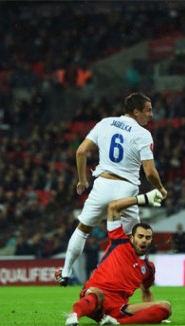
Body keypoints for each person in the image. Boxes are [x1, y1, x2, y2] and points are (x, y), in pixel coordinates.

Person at [56, 92, 167, 287]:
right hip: (126, 189)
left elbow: (81, 151)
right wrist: (160, 188)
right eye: (148, 111)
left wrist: (83, 180)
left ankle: (65, 272)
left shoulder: (105, 123)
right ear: (136, 111)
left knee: (83, 229)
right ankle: (141, 278)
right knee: (134, 237)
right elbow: (149, 171)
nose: (151, 115)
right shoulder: (142, 134)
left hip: (102, 184)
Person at [64, 189, 172, 326]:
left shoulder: (149, 268)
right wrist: (144, 198)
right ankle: (73, 316)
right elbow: (113, 207)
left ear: (151, 240)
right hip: (96, 296)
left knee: (165, 307)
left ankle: (116, 322)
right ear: (132, 238)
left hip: (117, 308)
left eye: (147, 237)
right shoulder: (119, 241)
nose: (144, 240)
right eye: (140, 236)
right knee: (97, 295)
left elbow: (146, 291)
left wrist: (153, 312)